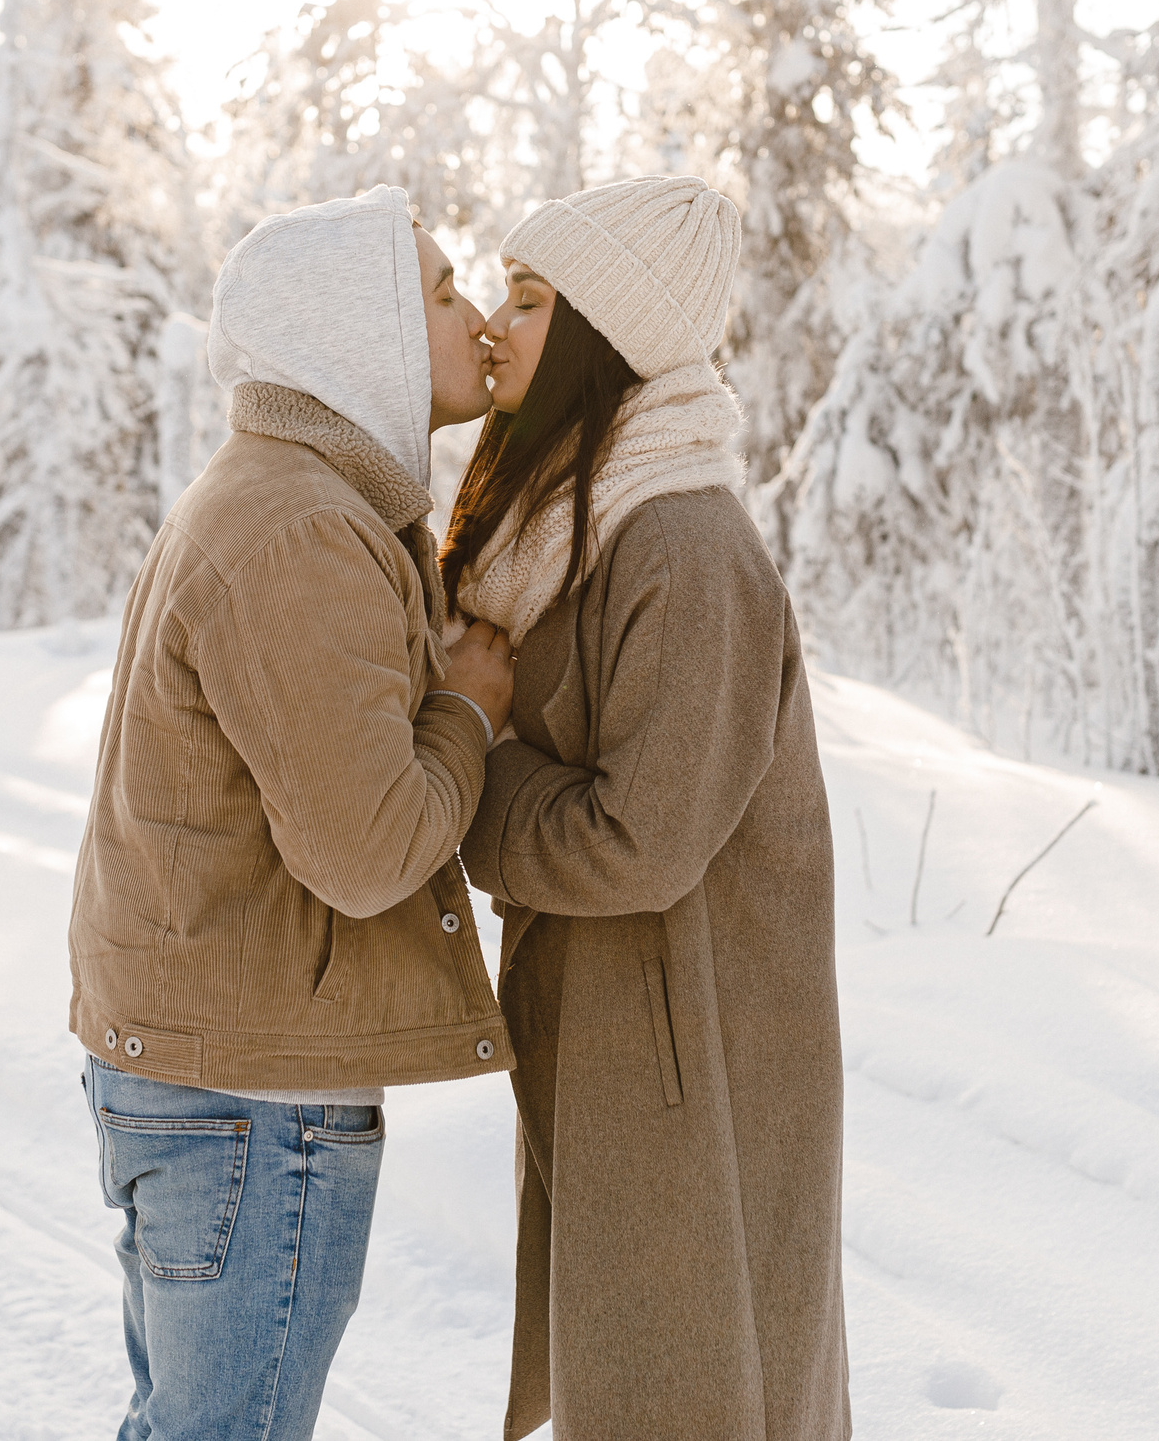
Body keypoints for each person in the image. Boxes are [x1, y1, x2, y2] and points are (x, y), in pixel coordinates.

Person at [68, 184, 517, 1441]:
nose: (475, 318)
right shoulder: (302, 528)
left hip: (213, 1066)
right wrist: (471, 709)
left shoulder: (300, 498)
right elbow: (368, 849)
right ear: (356, 335)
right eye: (438, 292)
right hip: (246, 1100)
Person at [443, 175, 851, 1440]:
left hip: (696, 1056)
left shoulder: (680, 543)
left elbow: (642, 842)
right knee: (643, 1373)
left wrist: (473, 767)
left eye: (526, 299)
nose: (493, 326)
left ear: (601, 335)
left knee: (692, 1384)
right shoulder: (589, 522)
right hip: (624, 1035)